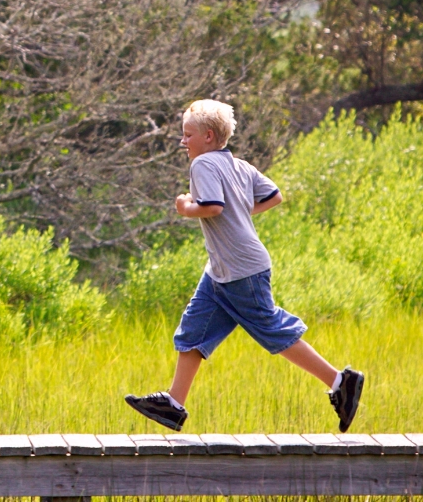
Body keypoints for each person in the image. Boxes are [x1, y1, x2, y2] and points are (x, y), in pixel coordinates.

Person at [125, 100, 364, 432]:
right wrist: (239, 213)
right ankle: (173, 404)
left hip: (241, 268)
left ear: (208, 136)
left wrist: (185, 206)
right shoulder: (239, 165)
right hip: (222, 269)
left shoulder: (203, 164)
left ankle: (341, 381)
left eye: (187, 134)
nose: (183, 142)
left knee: (270, 328)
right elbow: (274, 196)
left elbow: (211, 207)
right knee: (193, 329)